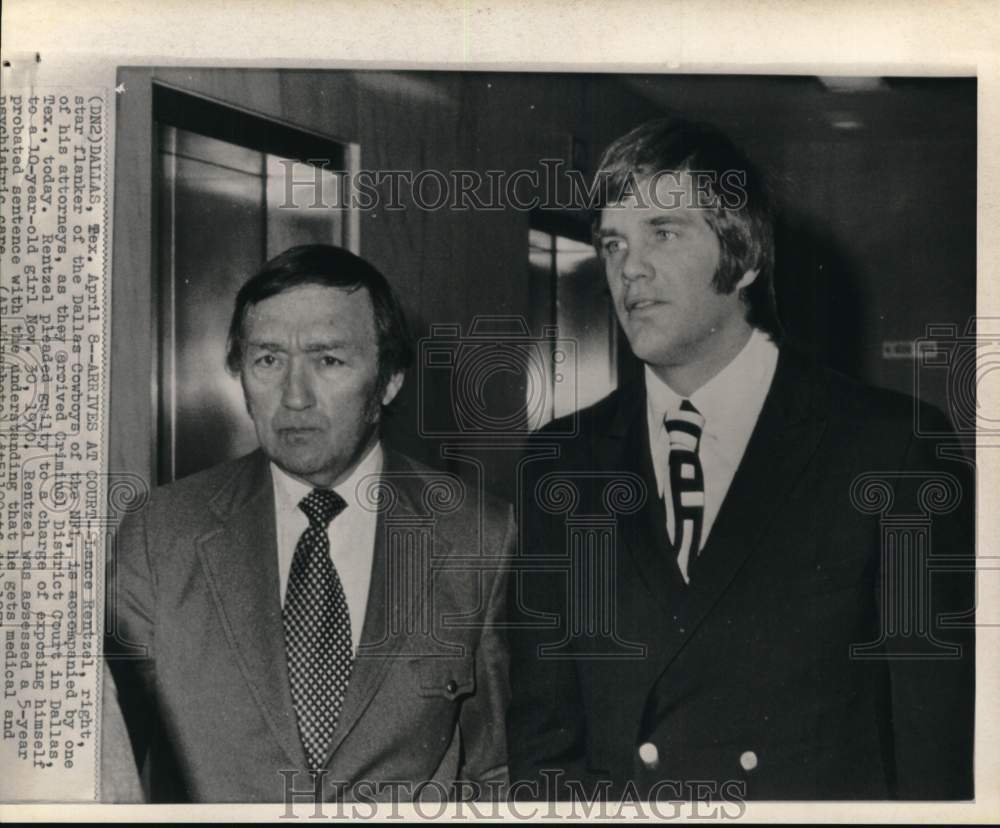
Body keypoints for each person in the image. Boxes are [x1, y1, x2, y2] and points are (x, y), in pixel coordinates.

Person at [506, 118, 975, 801]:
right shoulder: (561, 463)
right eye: (613, 243)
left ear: (745, 255)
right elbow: (543, 741)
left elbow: (936, 748)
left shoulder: (891, 451)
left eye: (662, 233)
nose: (629, 268)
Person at [103, 244, 512, 803]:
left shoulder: (476, 535)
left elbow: (495, 772)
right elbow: (106, 769)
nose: (294, 397)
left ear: (389, 379)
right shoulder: (160, 535)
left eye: (328, 360)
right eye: (268, 360)